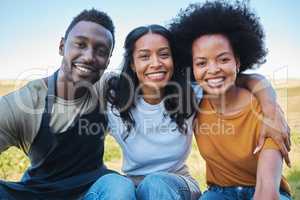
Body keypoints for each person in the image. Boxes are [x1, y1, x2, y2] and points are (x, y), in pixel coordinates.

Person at [84, 23, 290, 200]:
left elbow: (242, 78)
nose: (155, 63)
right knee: (121, 188)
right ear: (132, 63)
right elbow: (71, 83)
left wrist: (271, 109)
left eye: (164, 54)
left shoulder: (191, 93)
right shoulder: (112, 94)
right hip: (134, 184)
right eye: (144, 56)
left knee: (156, 183)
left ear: (174, 60)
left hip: (177, 184)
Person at [0, 9, 131, 200]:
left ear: (108, 60)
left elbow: (149, 82)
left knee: (119, 186)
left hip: (93, 190)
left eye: (101, 51)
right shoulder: (24, 103)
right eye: (80, 44)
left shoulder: (107, 88)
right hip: (37, 193)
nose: (88, 56)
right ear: (62, 46)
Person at [170, 1, 291, 199]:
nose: (213, 69)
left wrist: (270, 107)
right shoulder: (193, 102)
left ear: (238, 62)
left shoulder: (264, 108)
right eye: (202, 63)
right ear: (192, 68)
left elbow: (267, 193)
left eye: (223, 59)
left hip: (265, 190)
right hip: (218, 193)